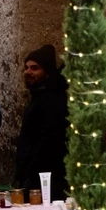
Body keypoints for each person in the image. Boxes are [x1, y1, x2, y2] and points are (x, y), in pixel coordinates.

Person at [15, 44, 69, 199]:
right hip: (34, 176)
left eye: (35, 68)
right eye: (26, 68)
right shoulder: (38, 96)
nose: (28, 72)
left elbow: (47, 143)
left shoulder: (53, 100)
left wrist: (29, 171)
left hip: (46, 180)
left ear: (47, 72)